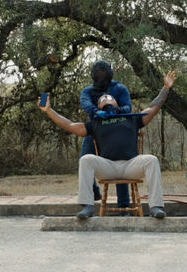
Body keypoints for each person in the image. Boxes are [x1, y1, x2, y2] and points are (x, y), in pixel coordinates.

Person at [40, 70, 177, 220]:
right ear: (98, 107)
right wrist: (49, 111)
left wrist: (166, 88)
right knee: (85, 159)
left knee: (152, 160)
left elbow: (153, 107)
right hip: (108, 166)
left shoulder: (131, 118)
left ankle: (155, 206)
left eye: (109, 97)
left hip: (130, 165)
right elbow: (70, 125)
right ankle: (88, 206)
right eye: (102, 99)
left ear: (117, 103)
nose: (106, 98)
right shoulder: (96, 122)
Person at [80, 60, 133, 208]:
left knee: (119, 163)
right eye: (99, 75)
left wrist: (117, 110)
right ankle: (93, 194)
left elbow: (128, 107)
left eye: (104, 75)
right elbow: (85, 104)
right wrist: (97, 111)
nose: (102, 78)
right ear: (94, 76)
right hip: (95, 131)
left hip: (116, 131)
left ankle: (124, 205)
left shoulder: (120, 88)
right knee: (84, 160)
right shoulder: (87, 92)